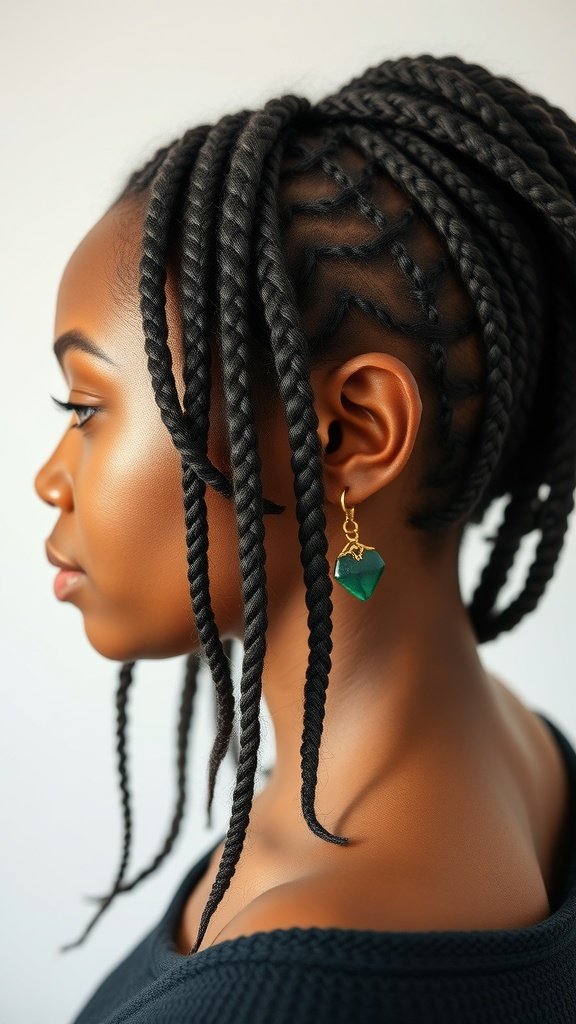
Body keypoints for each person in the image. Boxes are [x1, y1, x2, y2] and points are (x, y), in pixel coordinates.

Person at [34, 51, 576, 1023]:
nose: (49, 477)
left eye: (84, 405)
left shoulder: (284, 992)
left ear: (353, 434)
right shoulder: (518, 752)